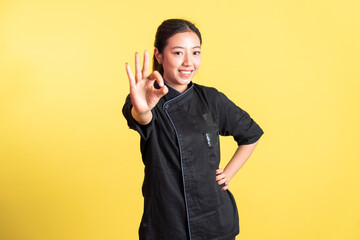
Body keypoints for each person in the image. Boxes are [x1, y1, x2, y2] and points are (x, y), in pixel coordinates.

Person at [122, 19, 264, 240]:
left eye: (196, 53)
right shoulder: (147, 99)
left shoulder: (211, 98)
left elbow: (251, 133)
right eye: (178, 53)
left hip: (215, 220)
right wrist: (142, 108)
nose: (189, 62)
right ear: (159, 55)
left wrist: (228, 174)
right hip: (167, 223)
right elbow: (142, 117)